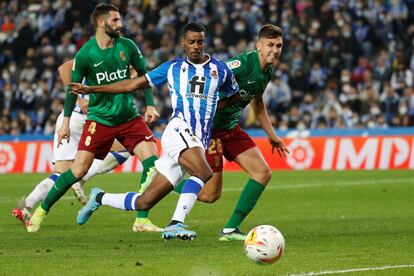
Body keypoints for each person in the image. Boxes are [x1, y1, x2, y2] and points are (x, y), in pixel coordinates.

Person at [70, 22, 240, 240]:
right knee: (204, 172)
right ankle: (176, 223)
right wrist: (92, 89)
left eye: (200, 42)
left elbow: (235, 95)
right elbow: (131, 85)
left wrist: (217, 106)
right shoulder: (172, 68)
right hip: (179, 130)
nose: (196, 46)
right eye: (191, 42)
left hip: (197, 139)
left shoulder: (221, 70)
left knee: (144, 201)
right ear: (183, 43)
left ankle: (99, 198)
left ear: (204, 42)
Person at [26, 4, 161, 233]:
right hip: (99, 120)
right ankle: (41, 211)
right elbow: (73, 89)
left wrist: (150, 104)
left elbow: (144, 77)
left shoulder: (127, 46)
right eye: (116, 20)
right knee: (77, 171)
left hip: (129, 117)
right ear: (102, 22)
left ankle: (141, 219)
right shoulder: (86, 54)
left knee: (152, 164)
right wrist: (66, 123)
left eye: (120, 20)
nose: (120, 24)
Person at [173, 24, 289, 241]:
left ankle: (230, 230)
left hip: (231, 129)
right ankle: (168, 182)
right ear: (259, 46)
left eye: (279, 45)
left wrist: (272, 135)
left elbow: (257, 101)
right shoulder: (242, 65)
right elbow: (211, 75)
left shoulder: (267, 71)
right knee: (209, 195)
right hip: (210, 130)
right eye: (270, 45)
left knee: (263, 173)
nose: (275, 49)